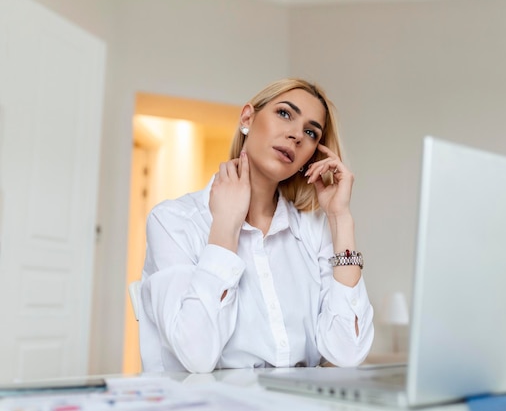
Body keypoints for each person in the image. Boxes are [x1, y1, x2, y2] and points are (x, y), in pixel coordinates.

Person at [138, 78, 374, 373]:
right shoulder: (174, 221)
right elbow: (195, 355)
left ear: (311, 155)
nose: (297, 136)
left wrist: (340, 218)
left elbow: (348, 354)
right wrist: (225, 226)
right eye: (285, 114)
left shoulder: (313, 231)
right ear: (247, 117)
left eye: (311, 132)